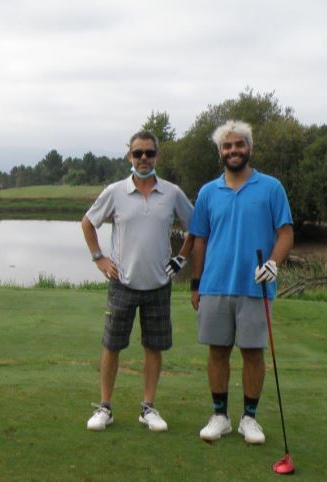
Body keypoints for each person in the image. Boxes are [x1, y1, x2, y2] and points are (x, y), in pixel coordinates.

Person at [82, 130, 194, 432]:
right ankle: (104, 407)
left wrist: (181, 257)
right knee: (111, 345)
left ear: (157, 156)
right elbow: (88, 222)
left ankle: (148, 407)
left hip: (158, 285)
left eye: (149, 153)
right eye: (138, 153)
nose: (143, 158)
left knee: (153, 347)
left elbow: (196, 226)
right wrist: (99, 258)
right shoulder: (115, 191)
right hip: (122, 284)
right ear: (129, 156)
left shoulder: (171, 193)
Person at [189, 120, 293, 444]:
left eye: (239, 145)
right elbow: (200, 240)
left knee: (252, 352)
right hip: (215, 284)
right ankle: (220, 415)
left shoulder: (271, 187)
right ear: (220, 152)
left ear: (249, 148)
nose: (233, 151)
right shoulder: (208, 191)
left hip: (255, 286)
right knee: (217, 351)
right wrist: (195, 284)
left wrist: (273, 265)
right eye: (227, 146)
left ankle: (250, 418)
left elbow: (286, 233)